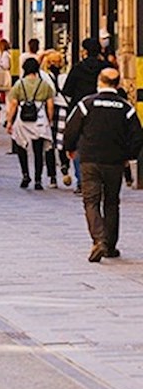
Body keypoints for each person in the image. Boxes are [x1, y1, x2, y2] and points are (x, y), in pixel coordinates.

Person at [63, 68, 143, 262]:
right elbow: (137, 136)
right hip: (114, 161)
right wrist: (128, 156)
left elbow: (71, 128)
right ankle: (110, 245)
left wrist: (69, 148)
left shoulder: (86, 104)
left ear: (100, 82)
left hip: (90, 159)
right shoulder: (126, 108)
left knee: (91, 200)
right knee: (112, 202)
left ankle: (99, 239)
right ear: (118, 84)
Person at [62, 38, 111, 194]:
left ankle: (81, 181)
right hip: (104, 110)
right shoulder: (106, 68)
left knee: (79, 145)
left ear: (84, 51)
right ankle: (101, 180)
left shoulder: (77, 68)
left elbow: (67, 91)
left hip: (81, 110)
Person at [6, 58, 55, 189]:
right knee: (38, 151)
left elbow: (14, 104)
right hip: (39, 118)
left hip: (23, 119)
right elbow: (50, 105)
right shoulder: (44, 85)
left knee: (21, 147)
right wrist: (50, 120)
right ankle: (38, 180)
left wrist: (9, 121)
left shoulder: (19, 84)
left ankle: (25, 174)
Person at [41, 50, 71, 187]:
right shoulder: (65, 77)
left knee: (49, 143)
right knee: (62, 140)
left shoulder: (45, 77)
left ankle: (52, 176)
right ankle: (64, 165)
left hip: (49, 108)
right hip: (64, 108)